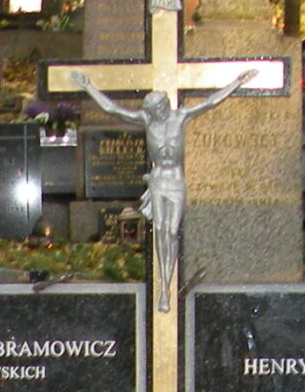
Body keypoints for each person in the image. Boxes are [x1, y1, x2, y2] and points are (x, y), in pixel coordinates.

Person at [69, 69, 255, 311]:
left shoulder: (181, 116)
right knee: (159, 230)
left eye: (155, 109)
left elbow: (210, 102)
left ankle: (168, 280)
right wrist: (88, 86)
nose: (152, 113)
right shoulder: (146, 120)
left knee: (171, 230)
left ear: (163, 106)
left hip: (175, 181)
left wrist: (237, 83)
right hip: (158, 181)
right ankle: (164, 289)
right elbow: (113, 109)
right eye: (149, 110)